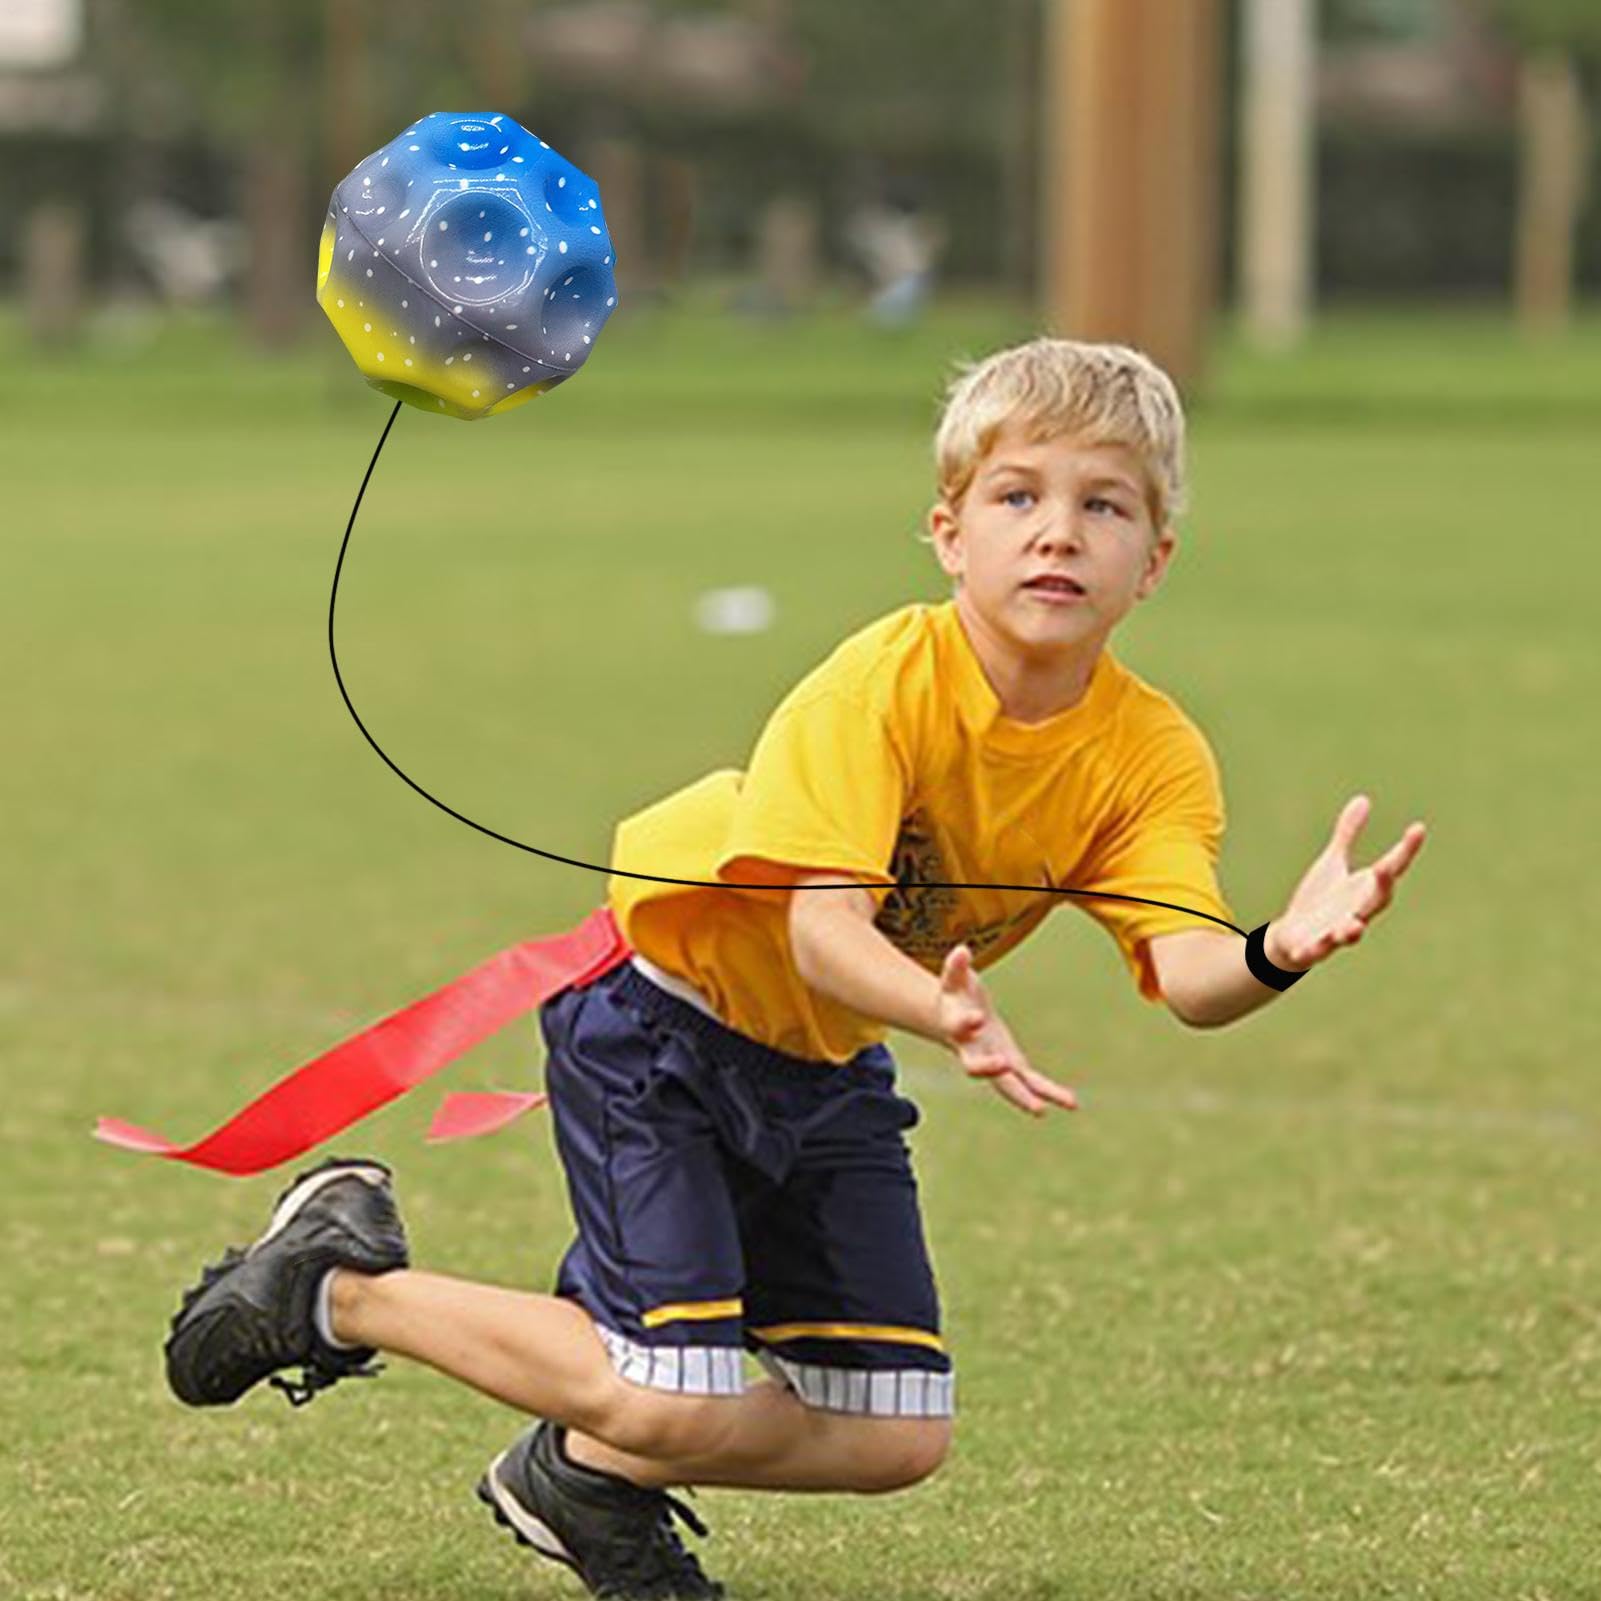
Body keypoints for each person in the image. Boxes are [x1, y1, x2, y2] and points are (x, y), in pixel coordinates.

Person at [164, 339, 1426, 1599]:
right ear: (947, 532)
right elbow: (825, 932)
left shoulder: (1148, 753)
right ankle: (334, 1285)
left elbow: (1191, 970)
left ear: (1151, 561)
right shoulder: (877, 684)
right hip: (661, 1020)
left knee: (895, 1433)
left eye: (1102, 505)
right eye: (1017, 497)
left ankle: (582, 1474)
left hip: (821, 1063)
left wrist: (1278, 947)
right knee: (668, 1383)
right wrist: (941, 1011)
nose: (1057, 533)